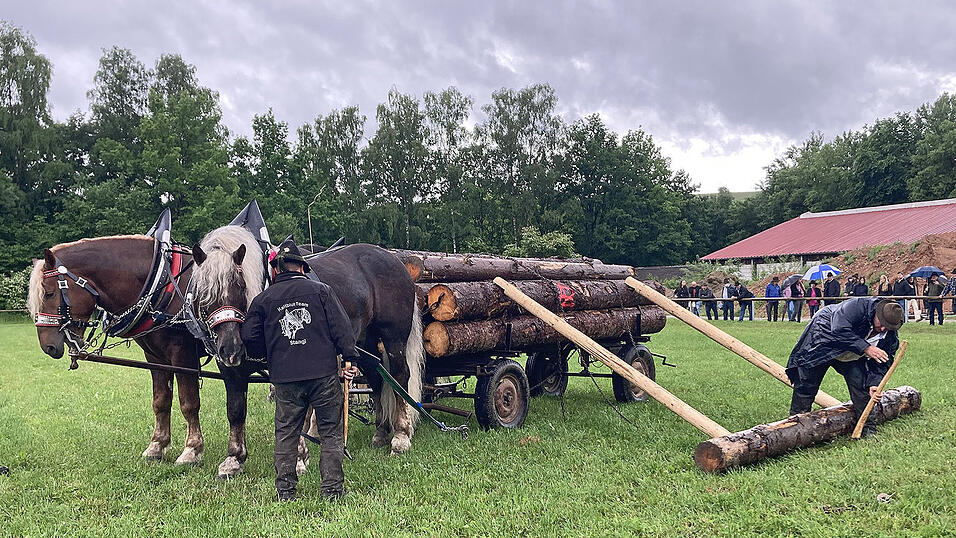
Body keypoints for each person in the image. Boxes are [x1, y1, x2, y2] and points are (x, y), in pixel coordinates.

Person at [241, 237, 361, 502]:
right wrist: (349, 359)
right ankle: (332, 491)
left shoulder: (263, 300)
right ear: (302, 267)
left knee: (286, 433)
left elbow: (249, 337)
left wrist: (268, 354)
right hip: (324, 376)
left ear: (278, 269)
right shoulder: (322, 291)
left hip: (286, 379)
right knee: (330, 432)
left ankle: (286, 492)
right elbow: (343, 330)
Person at [785, 298, 902, 438]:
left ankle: (867, 429)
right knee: (806, 385)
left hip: (851, 352)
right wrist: (866, 347)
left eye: (888, 327)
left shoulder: (890, 337)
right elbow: (838, 329)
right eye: (881, 324)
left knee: (861, 386)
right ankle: (796, 429)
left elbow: (882, 363)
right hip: (822, 340)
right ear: (876, 314)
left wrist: (874, 383)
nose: (883, 329)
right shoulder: (856, 306)